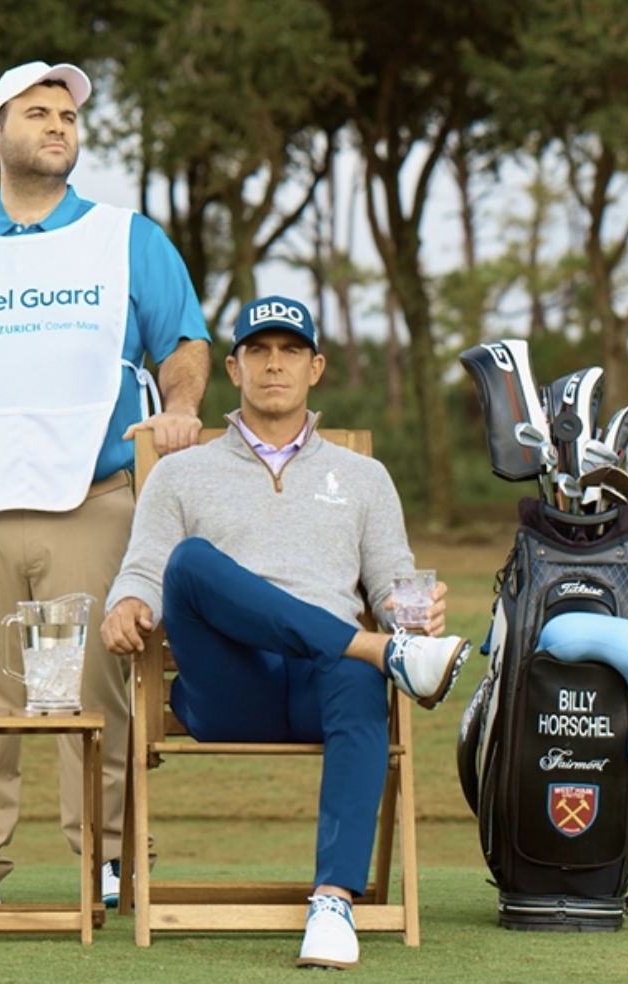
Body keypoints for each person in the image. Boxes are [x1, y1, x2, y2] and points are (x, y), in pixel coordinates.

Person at [0, 61, 211, 907]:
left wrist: (182, 408)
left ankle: (109, 857)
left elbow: (184, 342)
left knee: (100, 686)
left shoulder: (127, 237)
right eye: (37, 112)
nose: (58, 125)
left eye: (67, 115)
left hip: (94, 499)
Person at [101, 295, 471, 969]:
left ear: (315, 367)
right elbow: (146, 569)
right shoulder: (181, 473)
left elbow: (392, 586)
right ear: (234, 368)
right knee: (192, 563)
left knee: (357, 673)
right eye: (259, 351)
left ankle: (332, 904)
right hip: (227, 686)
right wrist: (125, 603)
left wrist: (414, 614)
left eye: (291, 351)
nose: (275, 364)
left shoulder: (363, 478)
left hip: (319, 690)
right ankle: (380, 653)